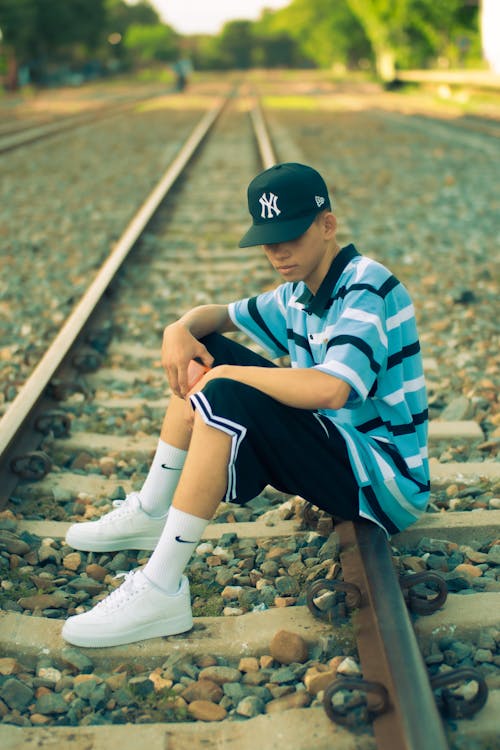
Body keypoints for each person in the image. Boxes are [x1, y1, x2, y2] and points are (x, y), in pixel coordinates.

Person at [62, 162, 430, 648]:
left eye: (291, 236)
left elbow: (331, 390)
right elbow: (217, 318)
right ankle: (153, 510)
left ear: (327, 225)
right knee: (208, 349)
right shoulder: (299, 294)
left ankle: (161, 588)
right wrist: (179, 330)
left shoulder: (367, 286)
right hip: (341, 453)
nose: (278, 252)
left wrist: (225, 376)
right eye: (268, 239)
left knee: (223, 384)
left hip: (386, 480)